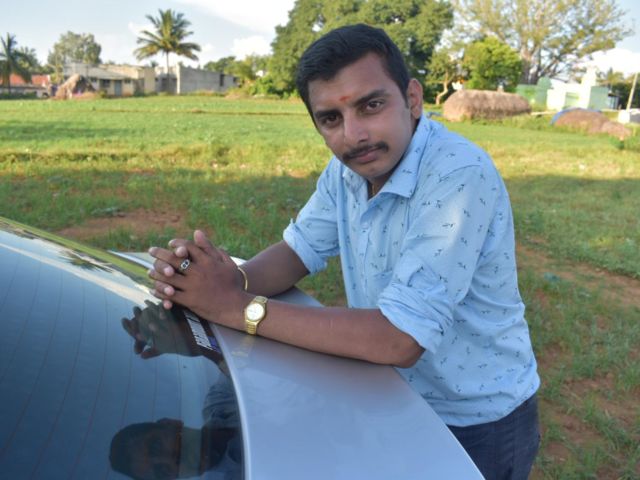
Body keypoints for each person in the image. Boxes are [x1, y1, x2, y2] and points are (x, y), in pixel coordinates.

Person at [148, 23, 540, 480]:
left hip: (473, 418)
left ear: (412, 99)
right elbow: (298, 250)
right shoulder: (349, 172)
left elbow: (399, 337)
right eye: (331, 119)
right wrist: (219, 282)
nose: (353, 135)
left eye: (371, 105)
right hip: (388, 394)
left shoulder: (457, 173)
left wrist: (236, 308)